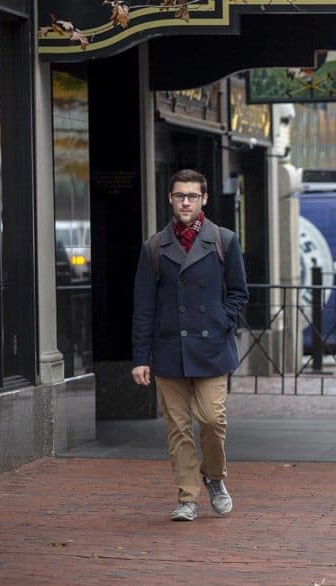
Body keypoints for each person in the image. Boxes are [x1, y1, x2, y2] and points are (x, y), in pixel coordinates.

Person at [131, 168, 249, 521]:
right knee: (178, 429)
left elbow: (240, 293)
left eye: (192, 196)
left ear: (204, 200)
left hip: (212, 349)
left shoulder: (223, 240)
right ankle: (187, 497)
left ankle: (214, 477)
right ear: (170, 199)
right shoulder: (154, 247)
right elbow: (143, 306)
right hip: (169, 351)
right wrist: (141, 357)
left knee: (212, 420)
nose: (186, 201)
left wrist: (220, 321)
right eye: (180, 195)